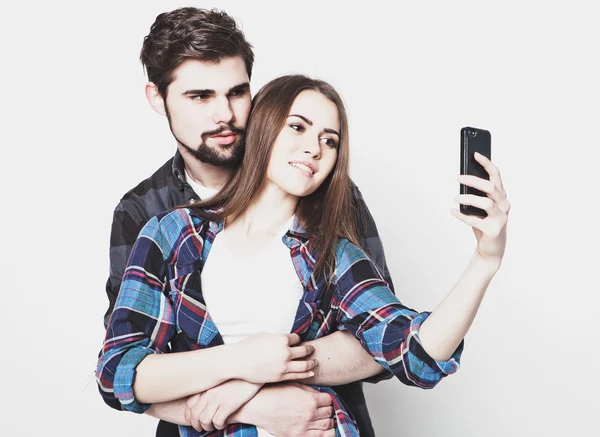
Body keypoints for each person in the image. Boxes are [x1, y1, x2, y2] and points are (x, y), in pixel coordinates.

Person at [97, 74, 510, 437]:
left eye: (329, 140)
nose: (314, 148)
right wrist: (244, 364)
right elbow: (120, 370)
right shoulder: (172, 234)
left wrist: (485, 259)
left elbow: (416, 352)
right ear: (263, 127)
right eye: (298, 127)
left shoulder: (333, 252)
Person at [103, 7, 396, 437]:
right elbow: (126, 371)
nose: (225, 114)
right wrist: (254, 402)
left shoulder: (321, 184)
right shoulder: (144, 212)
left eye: (237, 92)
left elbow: (381, 344)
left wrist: (262, 374)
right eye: (199, 96)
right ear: (156, 97)